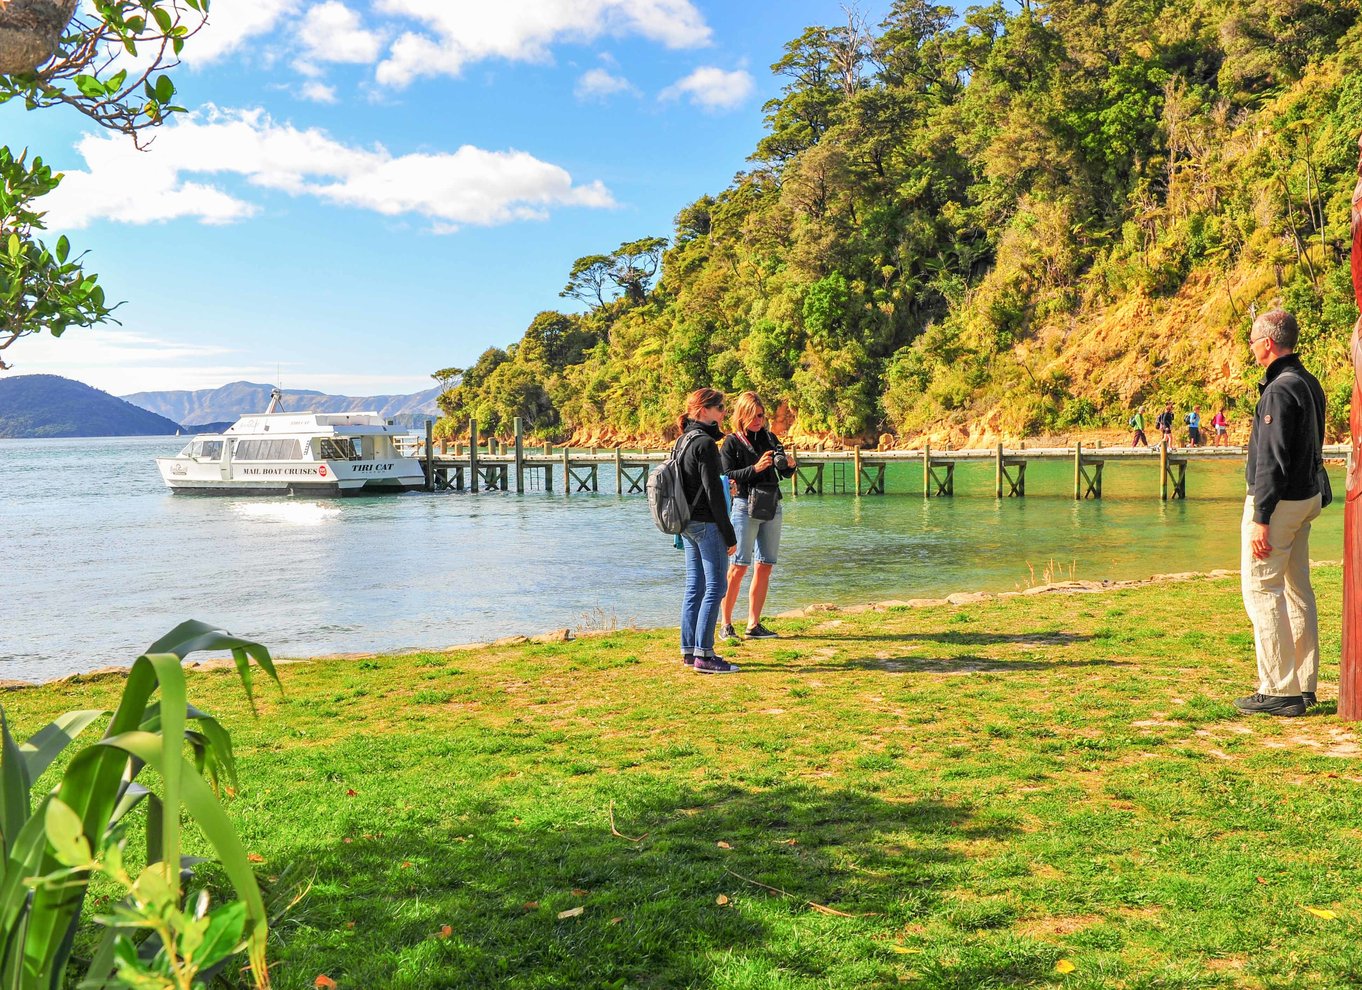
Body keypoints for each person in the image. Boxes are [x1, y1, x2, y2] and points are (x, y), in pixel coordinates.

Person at [1236, 310, 1327, 717]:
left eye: (1253, 340)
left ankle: (1278, 687)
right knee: (1297, 589)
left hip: (1280, 504)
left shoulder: (1277, 390)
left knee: (1263, 589)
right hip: (1306, 498)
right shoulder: (1309, 382)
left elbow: (1271, 461)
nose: (1251, 347)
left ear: (1267, 343)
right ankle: (1304, 683)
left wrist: (1261, 516)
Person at [718, 392, 797, 640]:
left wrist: (791, 465)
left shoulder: (770, 438)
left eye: (761, 416)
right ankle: (726, 624)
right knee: (739, 567)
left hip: (771, 504)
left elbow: (784, 474)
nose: (758, 421)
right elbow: (727, 474)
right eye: (753, 416)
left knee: (765, 566)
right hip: (743, 505)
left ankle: (753, 624)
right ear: (741, 416)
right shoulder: (732, 442)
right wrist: (756, 468)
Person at [674, 388, 739, 673]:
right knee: (716, 587)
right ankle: (704, 654)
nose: (724, 412)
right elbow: (714, 494)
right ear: (703, 411)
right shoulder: (705, 445)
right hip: (706, 523)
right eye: (720, 407)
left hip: (687, 523)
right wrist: (730, 533)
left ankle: (689, 651)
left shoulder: (682, 440)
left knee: (695, 587)